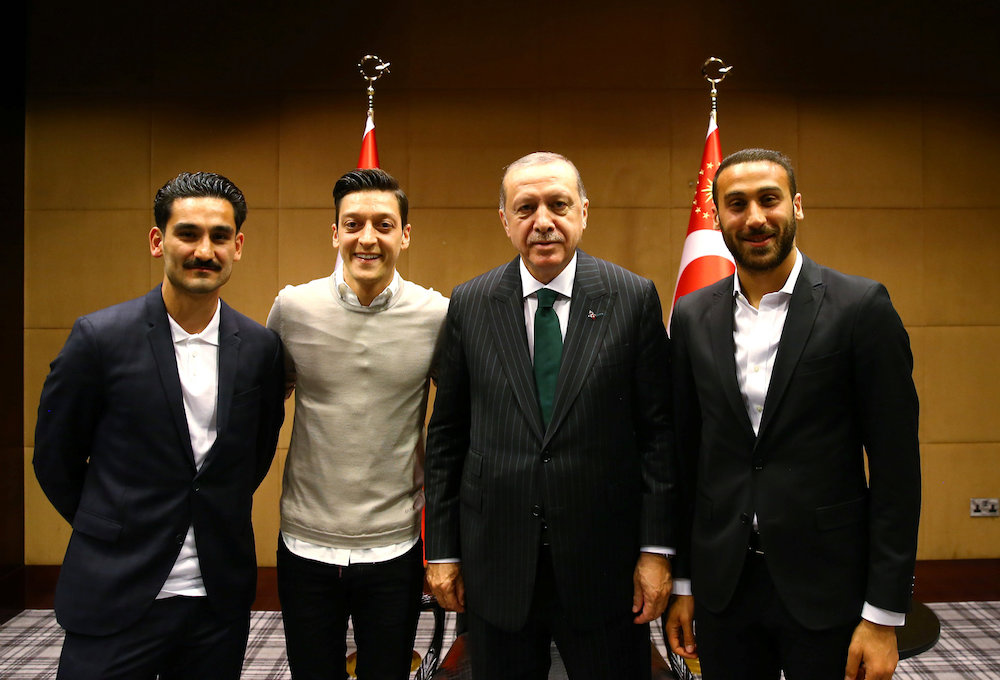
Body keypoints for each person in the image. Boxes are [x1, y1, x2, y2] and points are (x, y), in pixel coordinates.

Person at [666, 148, 921, 680]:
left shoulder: (861, 307)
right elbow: (686, 459)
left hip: (828, 584)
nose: (755, 217)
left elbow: (897, 471)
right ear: (717, 217)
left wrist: (883, 615)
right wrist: (685, 584)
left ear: (797, 206)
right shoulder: (692, 316)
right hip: (725, 585)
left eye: (769, 199)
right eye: (736, 204)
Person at [424, 151, 677, 679]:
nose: (543, 221)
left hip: (604, 568)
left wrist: (655, 551)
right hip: (496, 566)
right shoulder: (470, 303)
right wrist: (442, 550)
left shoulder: (631, 298)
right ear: (505, 220)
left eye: (558, 204)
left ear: (583, 211)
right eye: (526, 207)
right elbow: (447, 437)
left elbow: (659, 436)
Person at [33, 171, 286, 679]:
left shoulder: (261, 348)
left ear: (237, 246)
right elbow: (54, 459)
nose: (204, 251)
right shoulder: (99, 338)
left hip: (217, 599)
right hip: (116, 587)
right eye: (188, 234)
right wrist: (110, 524)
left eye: (219, 237)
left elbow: (252, 457)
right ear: (158, 241)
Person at [266, 168, 448, 679]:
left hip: (395, 546)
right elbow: (259, 411)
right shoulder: (292, 308)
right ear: (335, 232)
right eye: (353, 224)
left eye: (383, 224)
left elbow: (458, 425)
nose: (367, 237)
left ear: (404, 235)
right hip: (304, 543)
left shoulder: (437, 315)